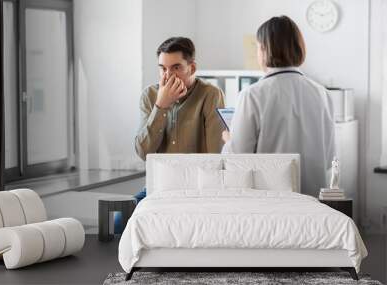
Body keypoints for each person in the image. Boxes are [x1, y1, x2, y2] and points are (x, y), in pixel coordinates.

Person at [222, 16, 335, 197]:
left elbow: (237, 160)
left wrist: (229, 140)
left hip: (271, 204)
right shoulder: (323, 94)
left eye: (257, 47)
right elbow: (329, 159)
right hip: (313, 203)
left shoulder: (252, 94)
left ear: (265, 49)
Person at [134, 37, 225, 202]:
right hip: (159, 186)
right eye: (163, 69)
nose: (168, 76)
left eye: (176, 68)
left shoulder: (210, 94)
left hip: (197, 187)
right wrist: (161, 106)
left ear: (192, 68)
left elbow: (215, 156)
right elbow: (143, 152)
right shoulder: (149, 96)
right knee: (119, 219)